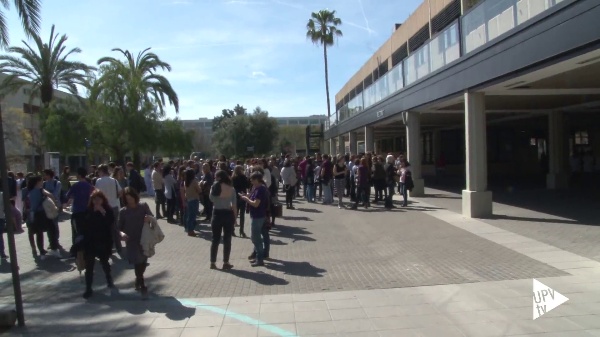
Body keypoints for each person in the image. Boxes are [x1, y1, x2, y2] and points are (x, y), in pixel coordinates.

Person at [118, 187, 153, 298]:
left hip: (144, 238)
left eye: (131, 198)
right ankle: (142, 284)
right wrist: (121, 234)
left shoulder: (143, 206)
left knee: (143, 261)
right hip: (131, 240)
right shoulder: (123, 212)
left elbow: (152, 218)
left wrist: (149, 219)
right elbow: (118, 228)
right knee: (137, 261)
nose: (130, 201)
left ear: (135, 197)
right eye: (127, 199)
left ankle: (138, 279)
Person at [81, 190, 115, 299]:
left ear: (103, 200)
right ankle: (88, 288)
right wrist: (92, 213)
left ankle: (109, 279)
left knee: (104, 262)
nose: (96, 201)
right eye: (94, 199)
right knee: (89, 266)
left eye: (99, 199)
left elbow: (110, 223)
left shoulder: (107, 209)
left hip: (103, 241)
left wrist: (103, 212)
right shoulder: (88, 210)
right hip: (90, 242)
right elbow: (83, 225)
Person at [209, 170, 237, 270]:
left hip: (216, 213)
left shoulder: (214, 187)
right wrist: (236, 218)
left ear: (219, 177)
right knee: (227, 239)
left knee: (215, 239)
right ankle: (226, 262)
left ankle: (212, 262)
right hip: (228, 214)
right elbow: (234, 205)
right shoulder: (231, 189)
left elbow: (211, 199)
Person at [240, 172, 269, 267]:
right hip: (257, 215)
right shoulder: (256, 188)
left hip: (258, 216)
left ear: (257, 179)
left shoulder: (260, 189)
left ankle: (260, 259)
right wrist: (247, 196)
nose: (251, 181)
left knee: (255, 238)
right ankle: (258, 257)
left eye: (252, 179)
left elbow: (256, 204)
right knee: (257, 237)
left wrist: (246, 200)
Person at [27, 175, 59, 258]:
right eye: (41, 180)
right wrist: (54, 203)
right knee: (52, 229)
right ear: (37, 182)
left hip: (34, 214)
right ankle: (54, 247)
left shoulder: (30, 191)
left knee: (39, 233)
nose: (42, 182)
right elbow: (51, 195)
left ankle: (41, 250)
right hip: (43, 213)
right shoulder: (41, 190)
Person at [94, 164, 123, 253]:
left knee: (104, 228)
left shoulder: (99, 181)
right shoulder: (114, 180)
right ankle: (119, 247)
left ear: (102, 171)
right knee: (115, 227)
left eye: (99, 171)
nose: (98, 173)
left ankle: (108, 248)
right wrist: (115, 197)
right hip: (114, 206)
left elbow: (96, 194)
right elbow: (121, 192)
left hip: (104, 207)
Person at [66, 168, 95, 245]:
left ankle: (77, 251)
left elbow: (68, 197)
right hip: (87, 212)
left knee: (76, 233)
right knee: (87, 231)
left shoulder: (75, 185)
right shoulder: (90, 187)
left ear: (78, 175)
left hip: (77, 212)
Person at [232, 166, 249, 238]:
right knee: (242, 215)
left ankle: (232, 229)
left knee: (234, 214)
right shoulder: (243, 177)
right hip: (242, 195)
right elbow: (248, 185)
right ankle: (241, 230)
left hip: (235, 196)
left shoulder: (233, 178)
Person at [184, 169, 201, 237]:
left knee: (190, 215)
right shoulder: (194, 181)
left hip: (189, 199)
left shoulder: (186, 181)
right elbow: (199, 190)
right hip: (194, 199)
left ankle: (189, 229)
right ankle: (190, 230)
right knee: (193, 216)